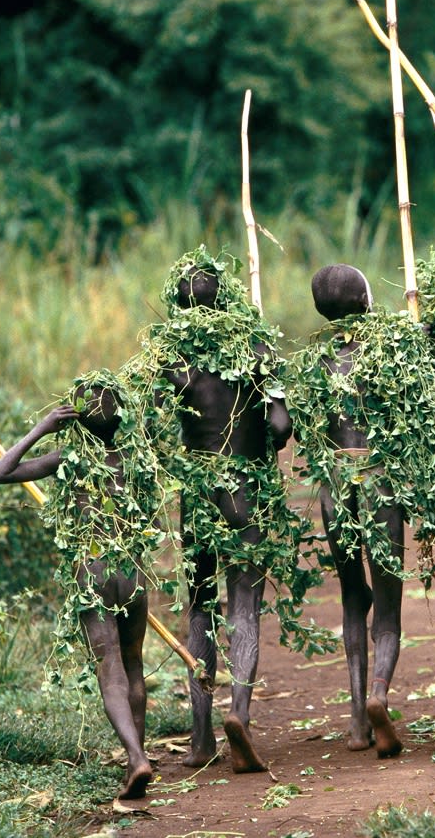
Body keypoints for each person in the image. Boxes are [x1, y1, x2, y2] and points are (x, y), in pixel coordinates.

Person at [287, 263, 435, 758]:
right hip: (379, 482)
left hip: (337, 483)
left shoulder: (313, 363)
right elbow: (424, 409)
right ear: (363, 304)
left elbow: (299, 430)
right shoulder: (393, 349)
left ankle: (357, 722)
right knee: (388, 605)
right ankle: (380, 693)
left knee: (353, 599)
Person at [149, 251, 296, 773]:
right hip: (245, 487)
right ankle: (239, 713)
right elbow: (280, 429)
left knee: (200, 608)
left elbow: (142, 422)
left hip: (198, 491)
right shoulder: (256, 349)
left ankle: (199, 738)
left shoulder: (170, 358)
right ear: (225, 297)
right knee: (244, 605)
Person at [0, 377, 159, 799]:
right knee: (134, 663)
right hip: (133, 570)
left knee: (111, 668)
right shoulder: (138, 458)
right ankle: (138, 758)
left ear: (76, 420)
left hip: (95, 572)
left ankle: (136, 758)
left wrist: (41, 429)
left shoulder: (68, 459)